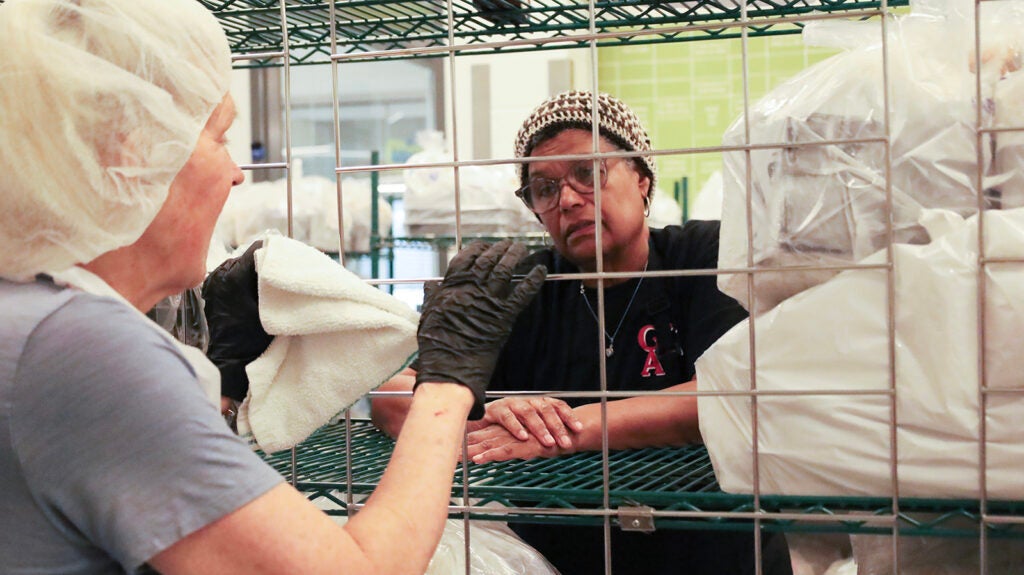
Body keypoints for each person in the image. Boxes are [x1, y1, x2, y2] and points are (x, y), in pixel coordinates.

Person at [0, 1, 543, 574]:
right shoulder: (79, 349)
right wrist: (449, 381)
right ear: (134, 153)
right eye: (220, 136)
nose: (237, 173)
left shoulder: (25, 315)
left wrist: (224, 388)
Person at [372, 90, 793, 575]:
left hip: (715, 552)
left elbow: (732, 396)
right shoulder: (522, 287)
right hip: (561, 558)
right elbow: (392, 394)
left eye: (588, 172)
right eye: (544, 188)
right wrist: (494, 415)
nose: (568, 199)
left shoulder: (704, 257)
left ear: (641, 178)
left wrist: (567, 430)